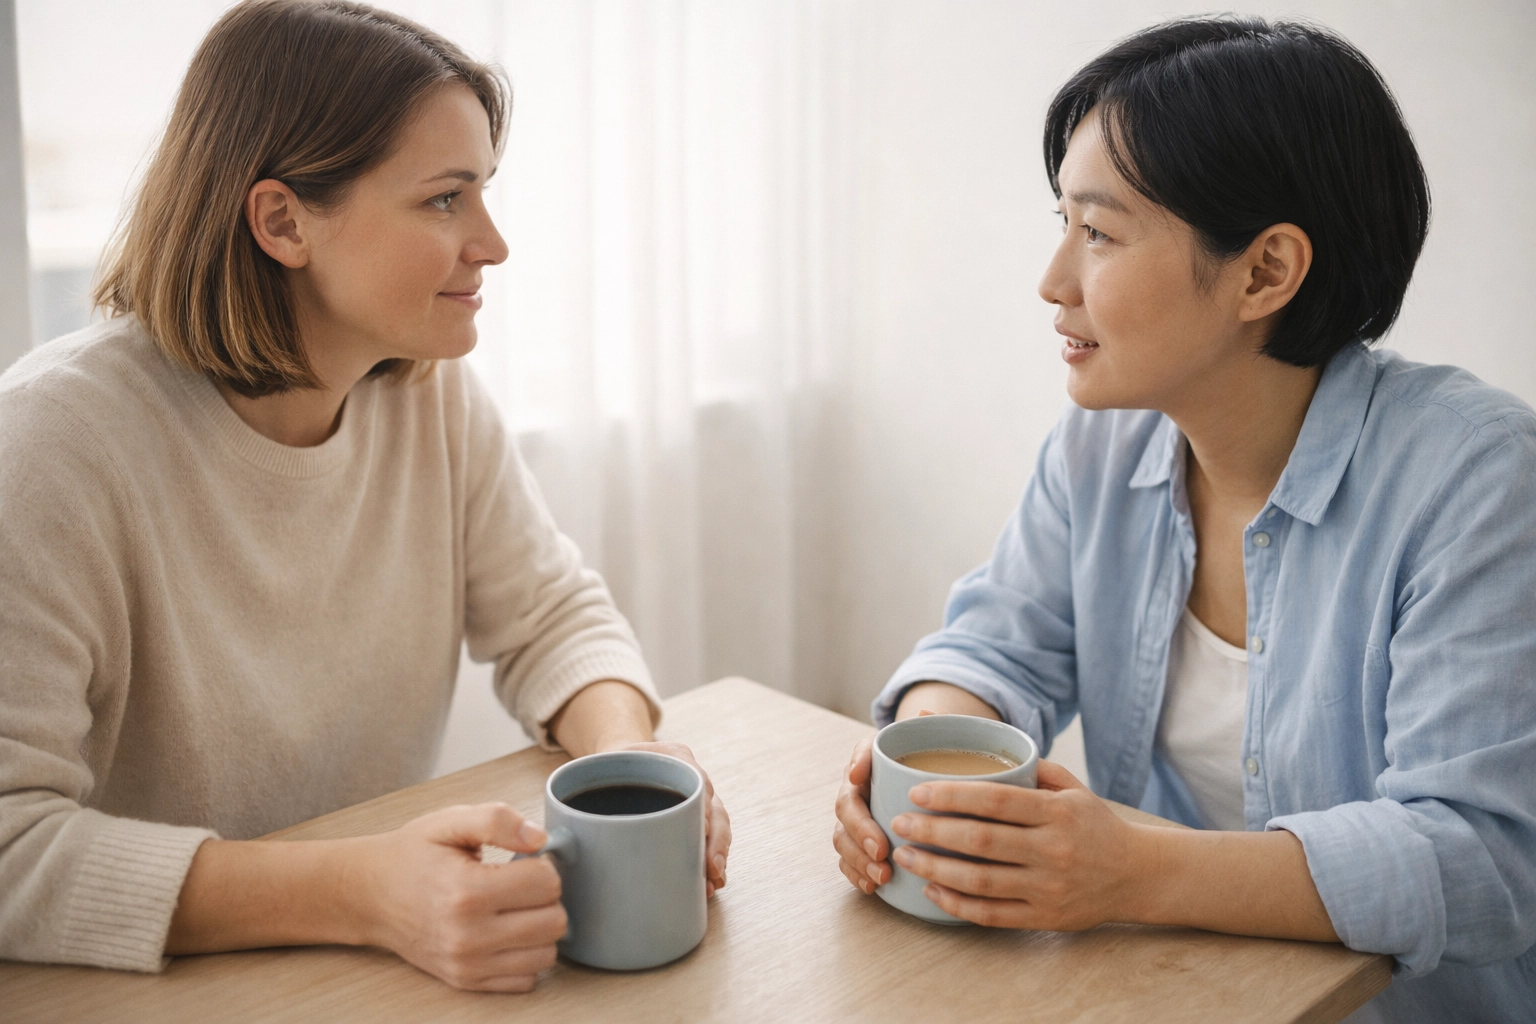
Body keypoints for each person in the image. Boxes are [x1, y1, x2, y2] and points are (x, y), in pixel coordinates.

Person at [0, 0, 729, 993]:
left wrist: (635, 762)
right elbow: (11, 842)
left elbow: (551, 617)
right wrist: (363, 893)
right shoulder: (48, 447)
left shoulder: (427, 394)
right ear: (283, 222)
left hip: (376, 971)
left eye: (483, 193)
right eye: (444, 200)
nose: (493, 243)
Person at [832, 17, 1534, 1023]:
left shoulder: (1479, 479)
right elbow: (998, 648)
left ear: (1265, 272)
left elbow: (1480, 856)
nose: (1052, 281)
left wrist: (1135, 870)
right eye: (1063, 222)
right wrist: (922, 768)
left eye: (1099, 233)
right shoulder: (1102, 443)